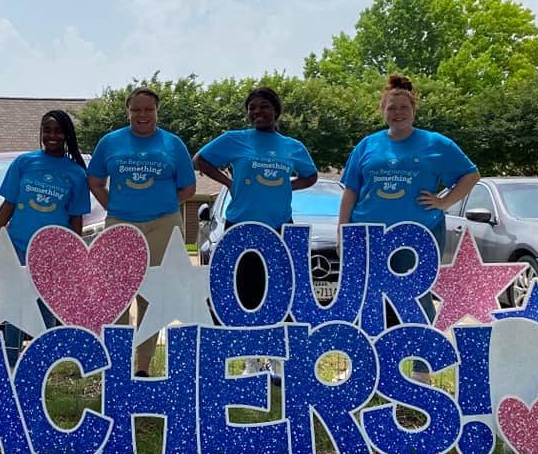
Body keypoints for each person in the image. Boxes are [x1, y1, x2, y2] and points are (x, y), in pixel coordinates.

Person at [338, 73, 479, 384]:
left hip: (417, 236)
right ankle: (362, 367)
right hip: (368, 236)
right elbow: (350, 191)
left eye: (403, 107)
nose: (397, 112)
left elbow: (470, 175)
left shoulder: (435, 144)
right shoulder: (367, 145)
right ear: (382, 109)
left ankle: (420, 370)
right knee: (364, 300)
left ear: (413, 109)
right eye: (391, 107)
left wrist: (444, 202)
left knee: (418, 300)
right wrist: (342, 232)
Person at [193, 86, 318, 377]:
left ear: (276, 111)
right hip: (242, 228)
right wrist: (227, 182)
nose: (257, 112)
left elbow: (310, 175)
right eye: (252, 108)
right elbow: (200, 159)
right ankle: (251, 360)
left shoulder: (291, 146)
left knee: (278, 296)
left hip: (279, 228)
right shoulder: (235, 140)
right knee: (246, 296)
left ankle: (275, 361)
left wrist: (289, 185)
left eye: (264, 107)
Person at [87, 87, 197, 377]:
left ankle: (143, 366)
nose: (142, 115)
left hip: (163, 223)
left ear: (157, 112)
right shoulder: (111, 142)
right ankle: (118, 364)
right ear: (128, 112)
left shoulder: (173, 144)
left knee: (152, 293)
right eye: (136, 110)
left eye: (148, 109)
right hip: (121, 224)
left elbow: (188, 187)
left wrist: (162, 206)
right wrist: (117, 206)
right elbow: (95, 180)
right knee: (119, 293)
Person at [0, 110, 91, 366]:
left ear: (66, 135)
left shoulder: (75, 173)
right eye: (47, 130)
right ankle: (10, 361)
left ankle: (43, 362)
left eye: (57, 131)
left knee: (46, 308)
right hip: (18, 246)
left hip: (53, 251)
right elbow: (9, 203)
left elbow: (76, 218)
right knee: (14, 304)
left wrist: (73, 252)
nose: (51, 136)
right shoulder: (24, 162)